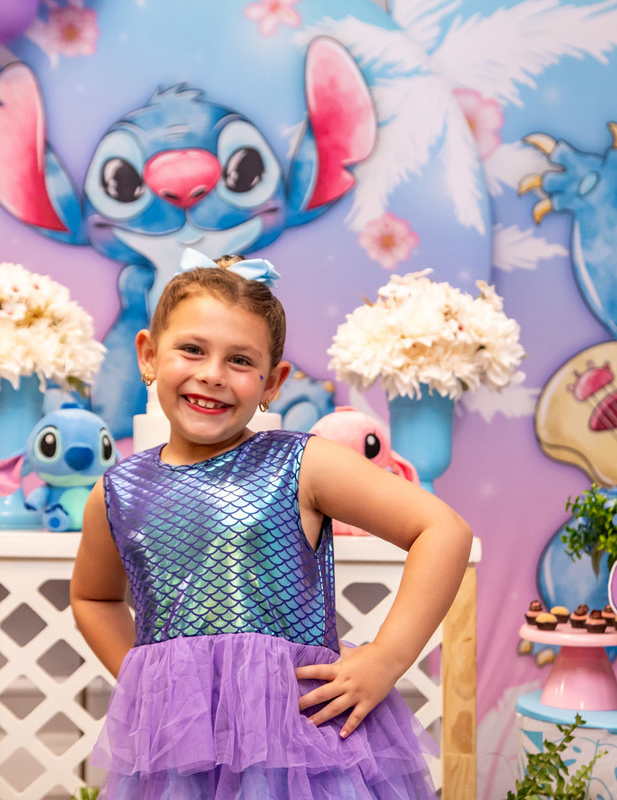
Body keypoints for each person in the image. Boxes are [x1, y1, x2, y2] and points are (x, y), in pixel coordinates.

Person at [70, 251, 473, 799]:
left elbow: (443, 530)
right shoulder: (117, 492)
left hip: (305, 746)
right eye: (192, 349)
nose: (212, 374)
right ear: (148, 355)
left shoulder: (304, 464)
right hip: (180, 759)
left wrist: (387, 658)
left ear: (272, 383)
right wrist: (154, 687)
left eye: (239, 360)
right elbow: (93, 598)